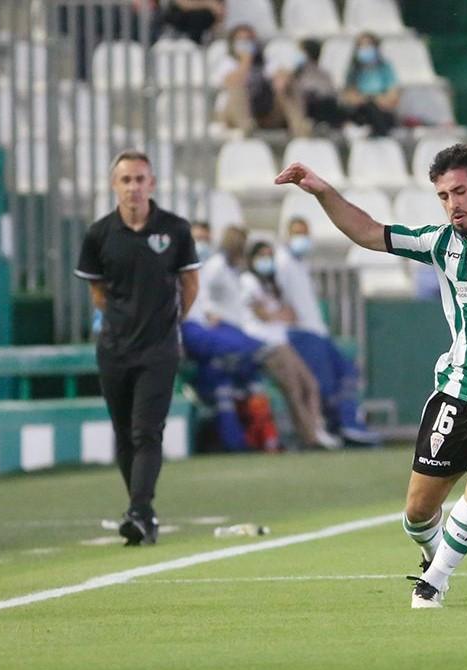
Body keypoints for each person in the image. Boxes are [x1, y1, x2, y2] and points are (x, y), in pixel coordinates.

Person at [274, 144, 467, 608]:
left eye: (460, 191)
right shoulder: (439, 243)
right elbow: (367, 232)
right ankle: (432, 555)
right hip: (458, 393)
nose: (452, 204)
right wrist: (322, 190)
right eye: (443, 196)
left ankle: (433, 584)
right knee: (418, 514)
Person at [74, 149, 201, 546]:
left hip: (159, 349)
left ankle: (139, 511)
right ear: (114, 185)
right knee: (124, 432)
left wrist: (167, 326)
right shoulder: (99, 234)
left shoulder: (176, 231)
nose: (133, 187)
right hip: (113, 348)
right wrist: (121, 321)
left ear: (153, 184)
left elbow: (189, 286)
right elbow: (97, 291)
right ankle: (141, 511)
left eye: (140, 179)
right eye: (126, 180)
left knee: (147, 431)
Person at [276, 217, 381, 445]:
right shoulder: (282, 263)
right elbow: (272, 292)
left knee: (346, 370)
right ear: (287, 235)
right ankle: (337, 427)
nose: (301, 239)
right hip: (301, 333)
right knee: (324, 383)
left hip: (317, 332)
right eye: (296, 233)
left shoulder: (301, 264)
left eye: (304, 233)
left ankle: (350, 424)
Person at [183, 224, 279, 453]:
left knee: (238, 379)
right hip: (197, 331)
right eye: (197, 239)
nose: (201, 245)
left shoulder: (218, 270)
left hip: (215, 337)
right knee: (240, 357)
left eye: (205, 239)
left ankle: (259, 441)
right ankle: (237, 444)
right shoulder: (186, 271)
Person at [242, 241, 343, 450]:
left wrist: (275, 315)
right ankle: (310, 437)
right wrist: (276, 315)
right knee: (295, 389)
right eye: (261, 256)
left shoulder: (272, 285)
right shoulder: (248, 281)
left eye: (269, 255)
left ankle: (316, 430)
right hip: (265, 345)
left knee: (310, 385)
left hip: (281, 342)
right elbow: (263, 315)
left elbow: (290, 314)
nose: (266, 260)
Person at [214, 24, 311, 137]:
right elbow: (232, 81)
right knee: (237, 87)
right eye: (242, 40)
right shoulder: (227, 63)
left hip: (264, 112)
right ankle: (247, 129)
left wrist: (282, 80)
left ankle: (300, 128)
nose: (246, 44)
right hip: (233, 114)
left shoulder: (265, 62)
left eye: (249, 39)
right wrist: (246, 60)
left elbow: (281, 74)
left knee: (288, 86)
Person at [341, 32, 399, 137]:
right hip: (361, 113)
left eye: (368, 46)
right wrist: (370, 99)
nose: (364, 49)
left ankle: (380, 133)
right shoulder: (354, 71)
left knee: (373, 109)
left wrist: (371, 99)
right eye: (361, 46)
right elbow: (349, 97)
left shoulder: (385, 68)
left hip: (382, 112)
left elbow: (392, 97)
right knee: (367, 108)